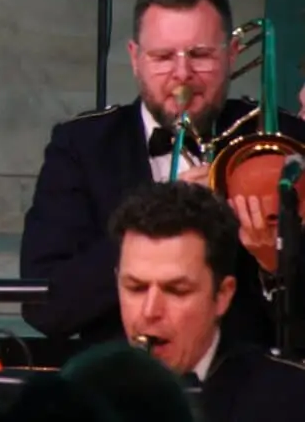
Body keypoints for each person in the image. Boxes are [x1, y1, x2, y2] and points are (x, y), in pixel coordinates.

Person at [20, 0, 305, 351]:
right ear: (135, 59)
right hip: (126, 380)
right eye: (163, 57)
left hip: (254, 379)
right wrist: (155, 218)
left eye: (200, 55)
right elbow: (45, 309)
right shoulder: (82, 146)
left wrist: (274, 261)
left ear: (233, 54)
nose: (182, 75)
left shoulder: (285, 140)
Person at [109, 181, 305, 422]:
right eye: (136, 288)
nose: (150, 311)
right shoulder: (84, 397)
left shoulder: (289, 399)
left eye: (176, 290)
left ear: (223, 294)